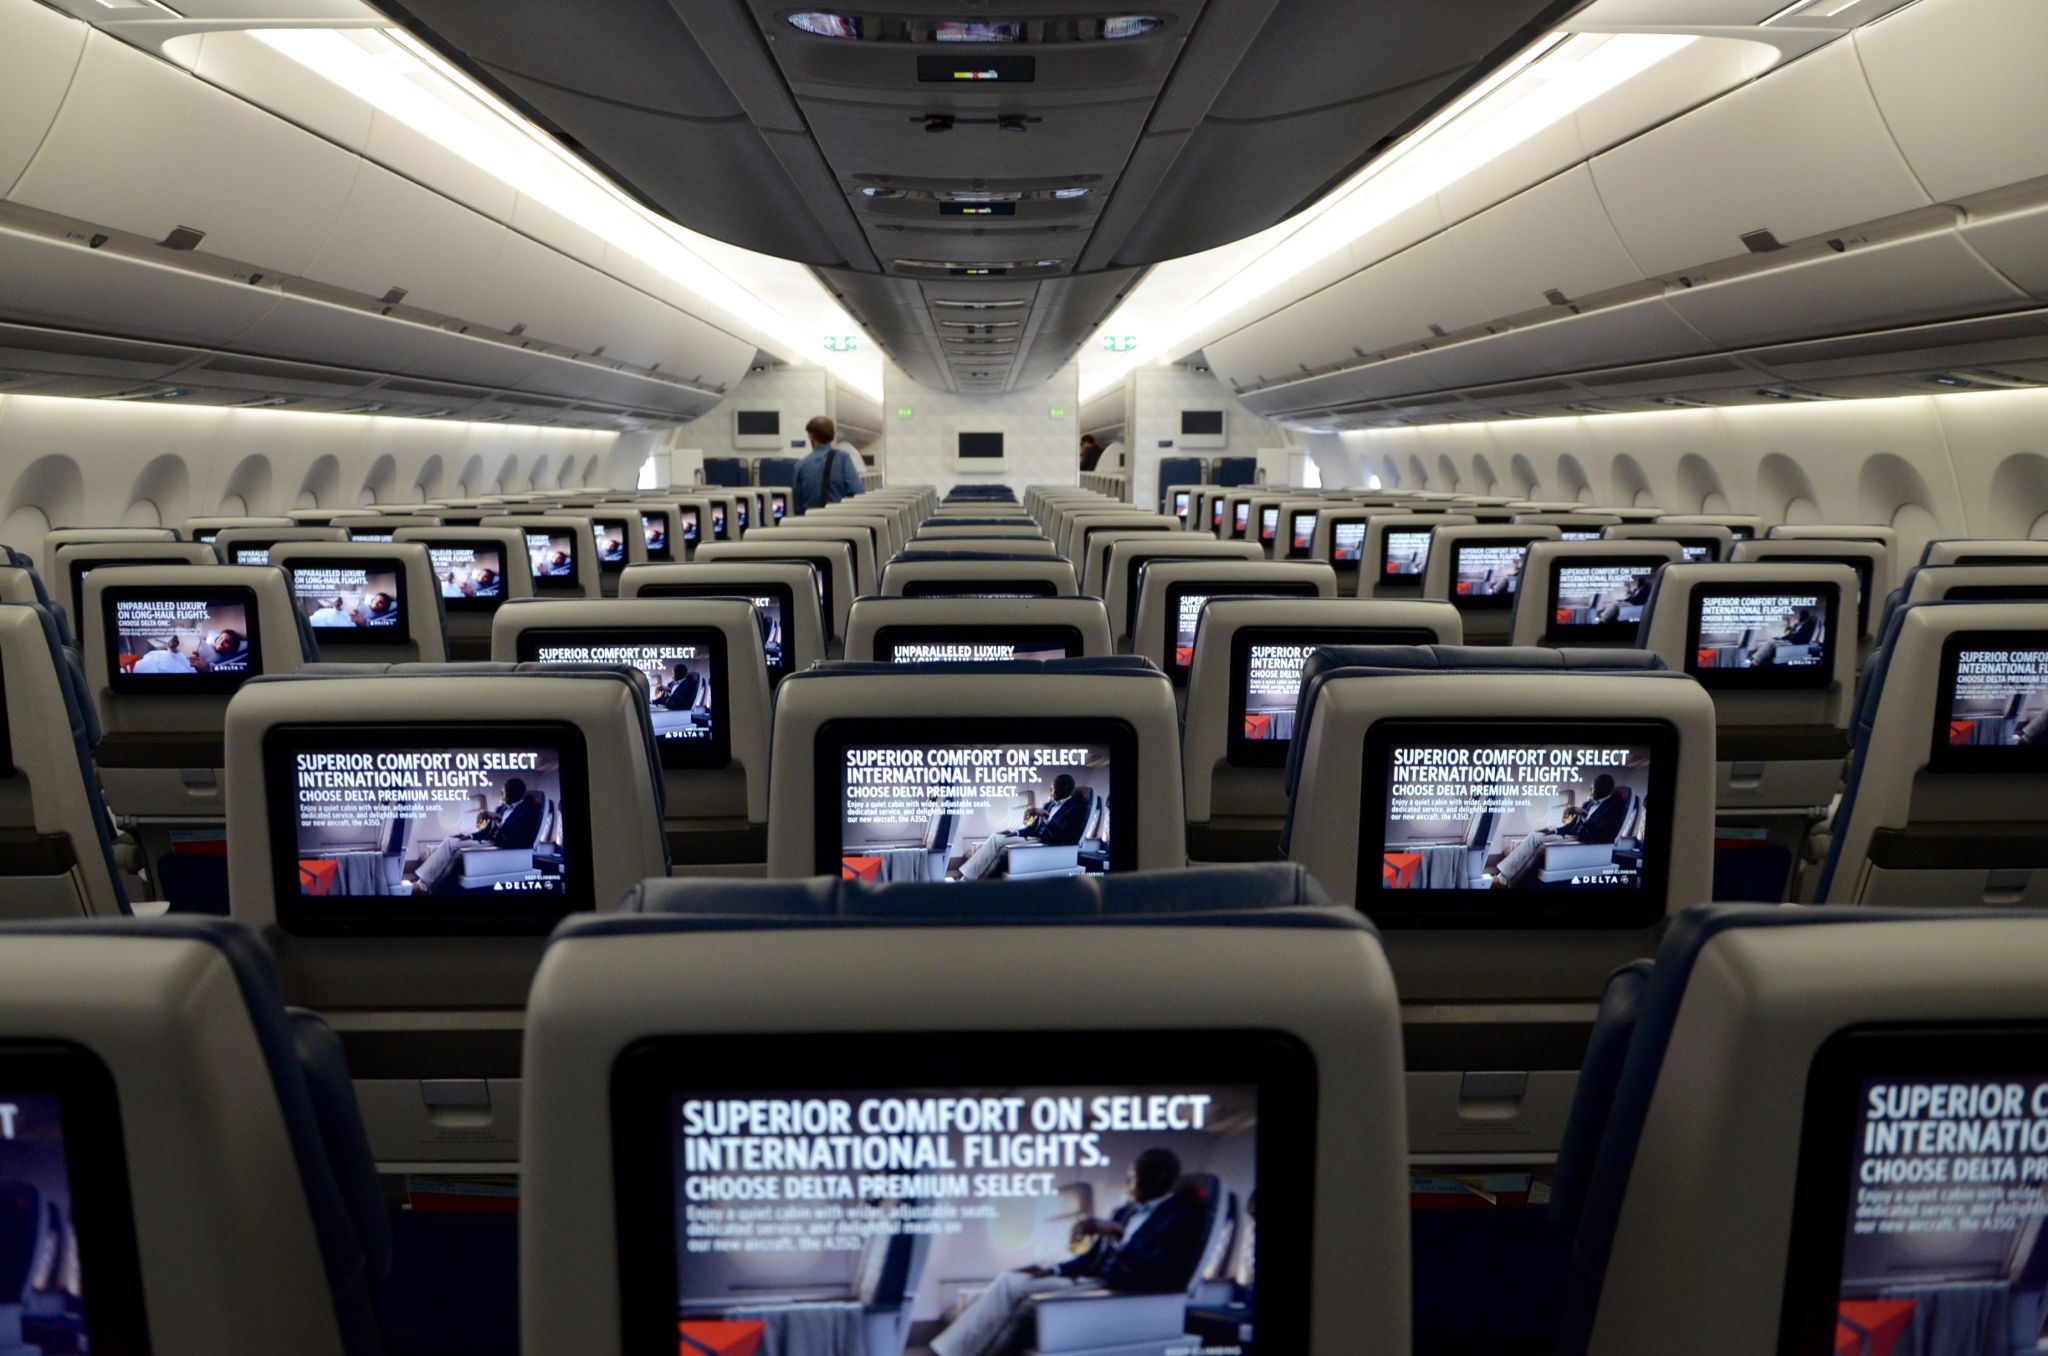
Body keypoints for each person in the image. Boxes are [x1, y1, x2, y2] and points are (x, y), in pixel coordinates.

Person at [929, 1148, 1210, 1356]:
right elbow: (1092, 1257)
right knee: (1007, 1281)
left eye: (1132, 1177)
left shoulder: (1184, 1216)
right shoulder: (1125, 1210)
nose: (1128, 1184)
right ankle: (946, 1353)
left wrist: (1117, 1234)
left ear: (1158, 1178)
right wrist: (1053, 1269)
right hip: (1091, 1280)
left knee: (1027, 1306)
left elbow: (1159, 1271)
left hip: (1124, 1291)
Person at [1488, 773, 1631, 889]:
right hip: (1573, 837)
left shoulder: (1614, 807)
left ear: (1603, 789)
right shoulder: (1589, 803)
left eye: (1593, 787)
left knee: (1537, 842)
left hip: (1585, 843)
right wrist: (1554, 830)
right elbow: (1571, 826)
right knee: (1535, 836)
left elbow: (1603, 834)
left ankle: (1506, 882)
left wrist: (1585, 817)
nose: (1590, 790)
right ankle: (1503, 878)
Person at [411, 777, 543, 895]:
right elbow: (485, 832)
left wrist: (500, 821)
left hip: (502, 847)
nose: (502, 794)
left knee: (458, 853)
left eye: (504, 791)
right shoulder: (501, 808)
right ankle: (423, 884)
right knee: (449, 841)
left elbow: (519, 838)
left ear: (515, 792)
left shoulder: (528, 810)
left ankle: (431, 890)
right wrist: (470, 836)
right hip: (488, 842)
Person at [957, 774, 1090, 880]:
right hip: (1035, 838)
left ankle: (978, 885)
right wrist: (1015, 832)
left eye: (1053, 787)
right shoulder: (1049, 804)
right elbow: (1031, 828)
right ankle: (966, 879)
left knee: (1003, 850)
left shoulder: (1076, 807)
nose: (1050, 790)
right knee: (995, 838)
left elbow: (1066, 836)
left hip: (1047, 843)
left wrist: (1047, 818)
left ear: (1066, 788)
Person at [791, 416, 863, 513]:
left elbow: (797, 502)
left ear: (811, 436)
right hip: (837, 520)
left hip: (809, 522)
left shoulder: (800, 465)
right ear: (832, 436)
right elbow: (857, 492)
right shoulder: (843, 459)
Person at [1747, 607, 1819, 667]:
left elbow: (1801, 638)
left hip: (1796, 644)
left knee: (1772, 643)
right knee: (1771, 640)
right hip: (1790, 641)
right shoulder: (1797, 625)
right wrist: (1781, 638)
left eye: (1799, 615)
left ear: (1803, 616)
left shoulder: (1808, 626)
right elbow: (1789, 635)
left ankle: (1756, 662)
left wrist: (1791, 635)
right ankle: (1755, 657)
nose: (1798, 617)